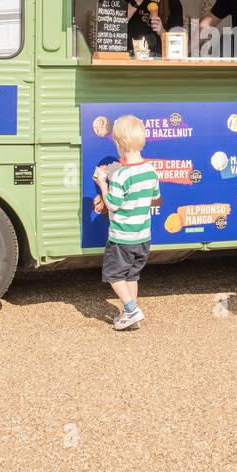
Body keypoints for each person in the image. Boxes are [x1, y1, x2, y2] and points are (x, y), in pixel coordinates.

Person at [92, 115, 161, 331]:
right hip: (143, 237)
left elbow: (112, 204)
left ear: (119, 144)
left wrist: (103, 184)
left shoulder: (121, 175)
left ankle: (131, 309)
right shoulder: (150, 171)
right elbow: (155, 197)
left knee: (114, 275)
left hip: (122, 237)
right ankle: (130, 314)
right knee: (132, 275)